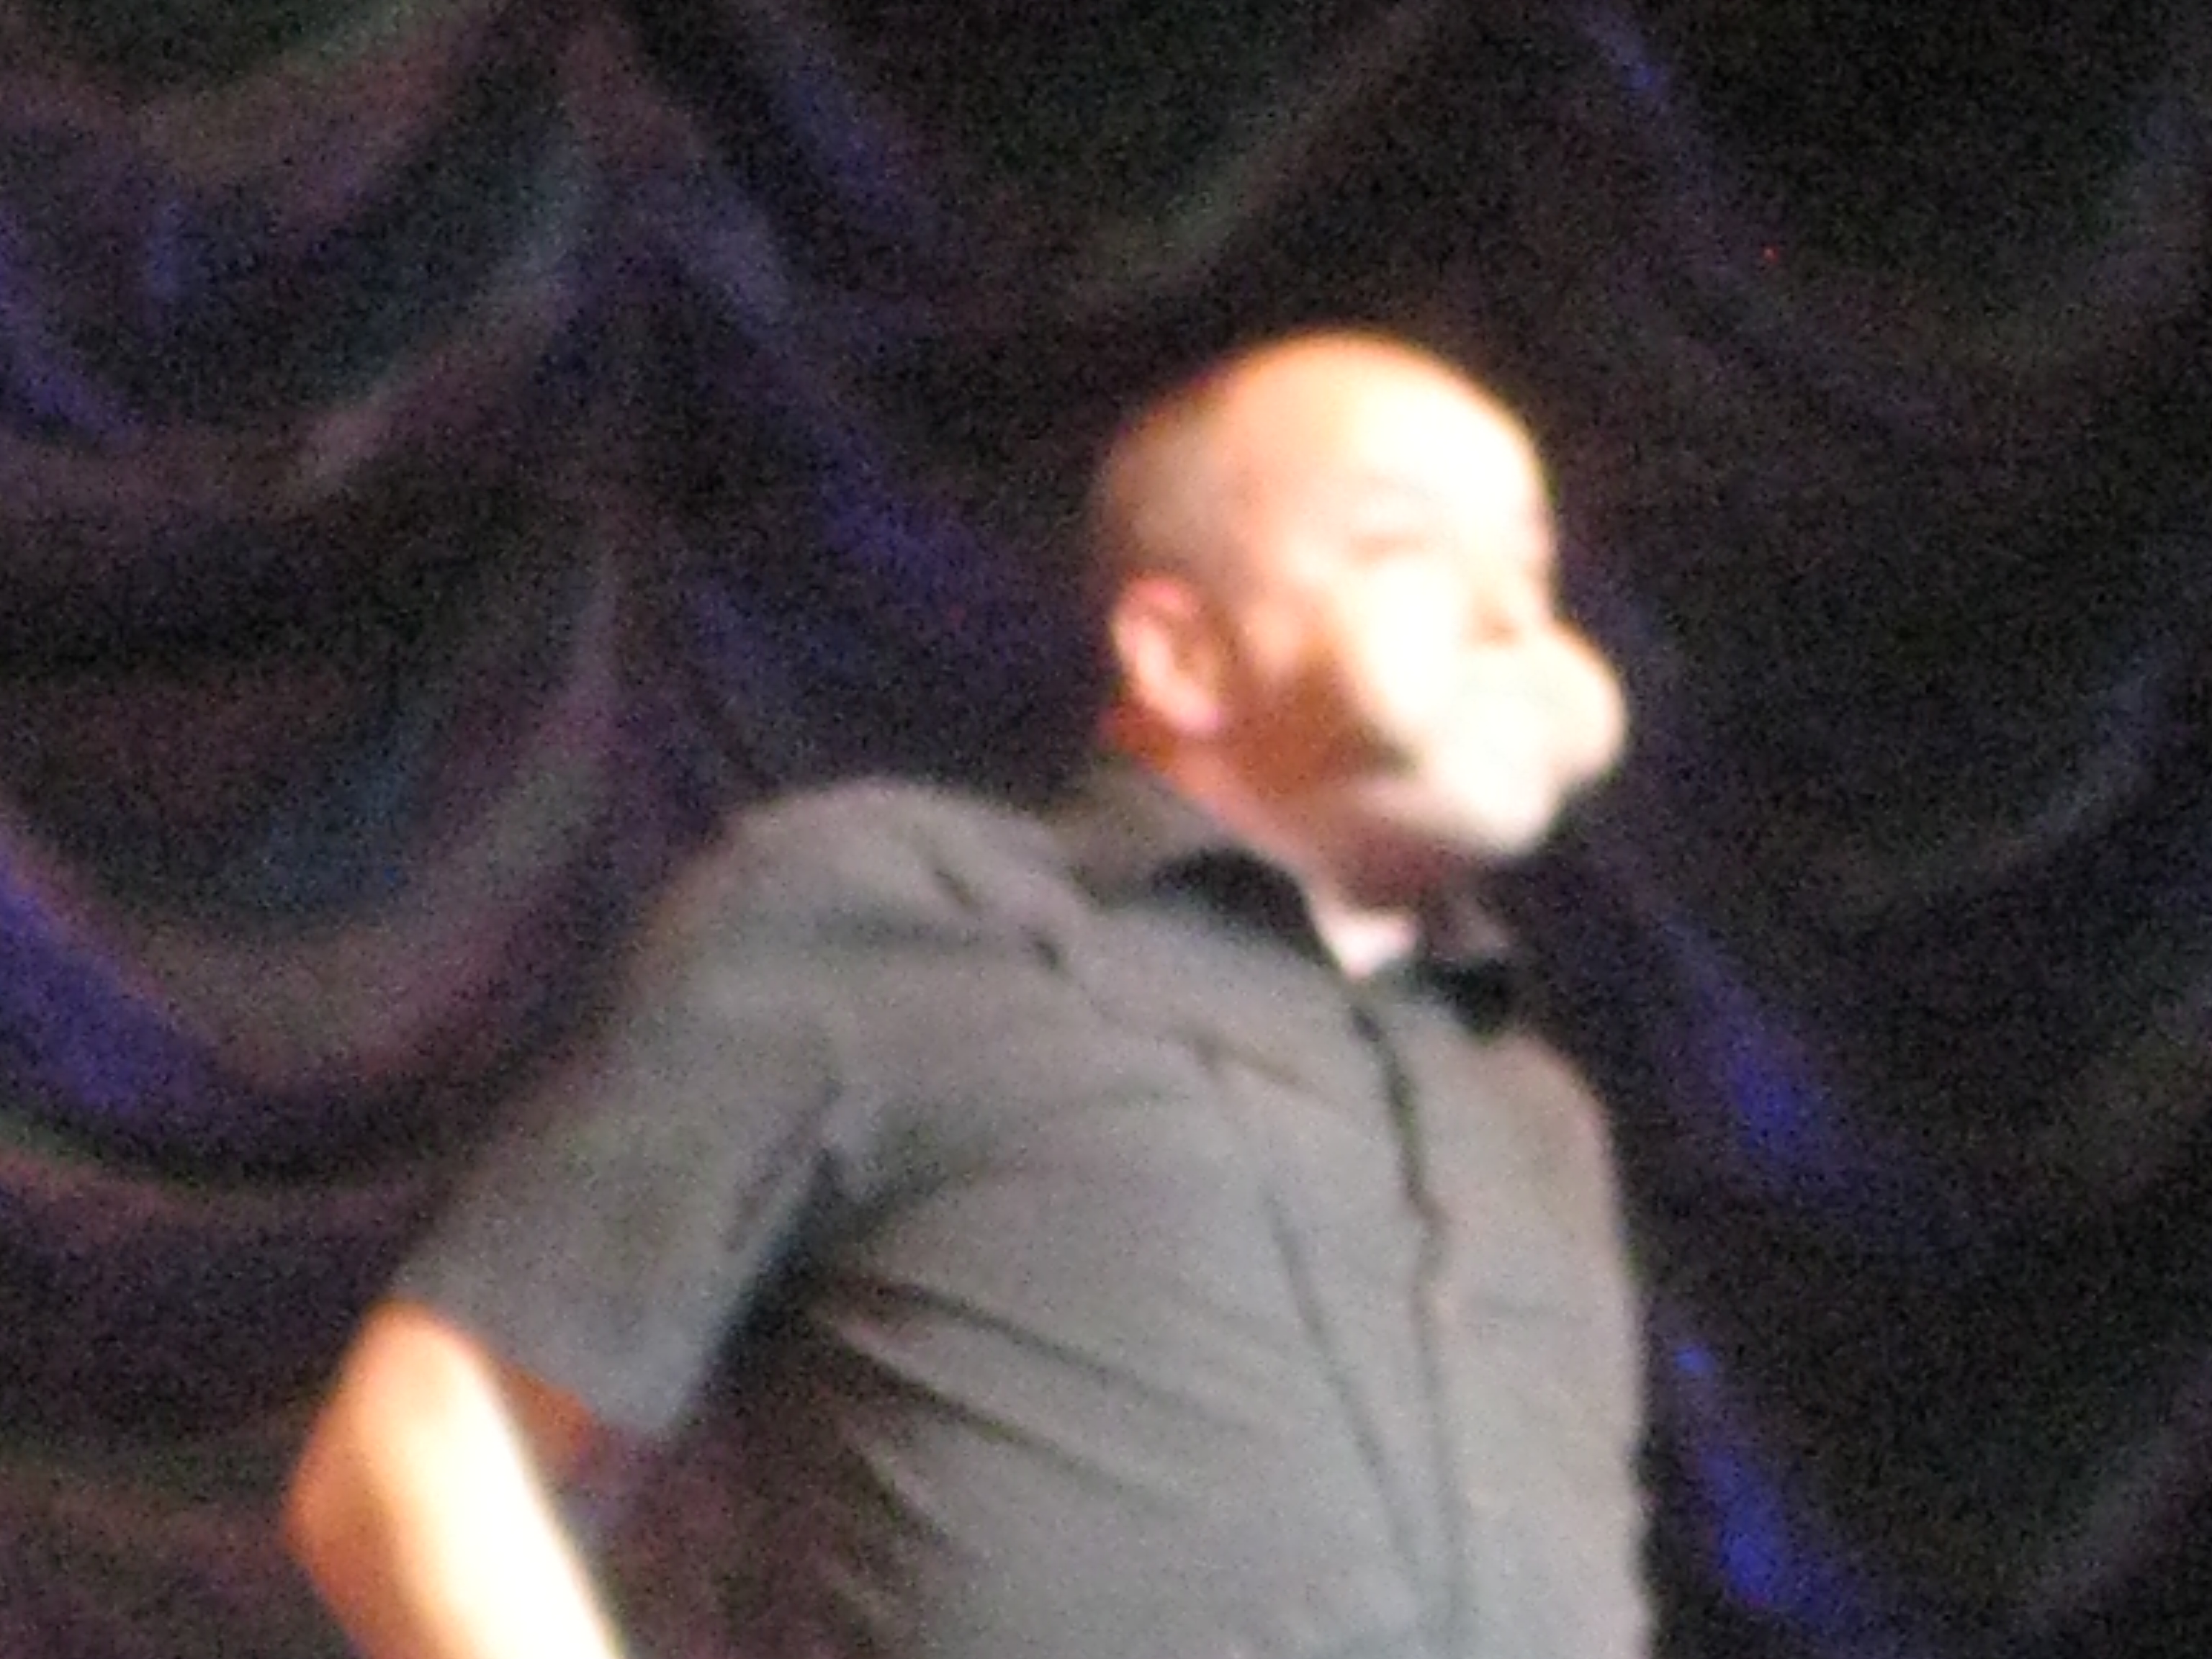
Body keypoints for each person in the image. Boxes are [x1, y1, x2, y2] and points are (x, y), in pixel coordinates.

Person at [280, 328, 1643, 1658]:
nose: (1513, 621)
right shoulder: (903, 918)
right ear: (1181, 654)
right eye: (1402, 544)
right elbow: (426, 1446)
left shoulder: (1532, 1112)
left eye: (1531, 570)